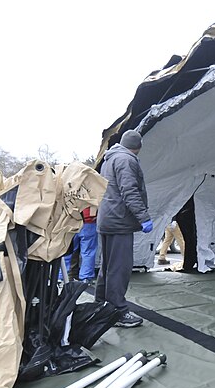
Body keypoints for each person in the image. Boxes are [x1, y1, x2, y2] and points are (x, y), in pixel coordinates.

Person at [95, 129, 153, 328]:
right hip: (119, 222)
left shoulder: (109, 158)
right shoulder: (127, 160)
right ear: (138, 147)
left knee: (107, 267)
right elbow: (129, 191)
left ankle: (101, 307)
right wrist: (143, 217)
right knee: (119, 269)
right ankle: (117, 312)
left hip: (107, 220)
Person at [63, 206, 97, 283]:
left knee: (67, 249)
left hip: (70, 220)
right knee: (88, 251)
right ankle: (85, 277)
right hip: (89, 220)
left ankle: (63, 275)